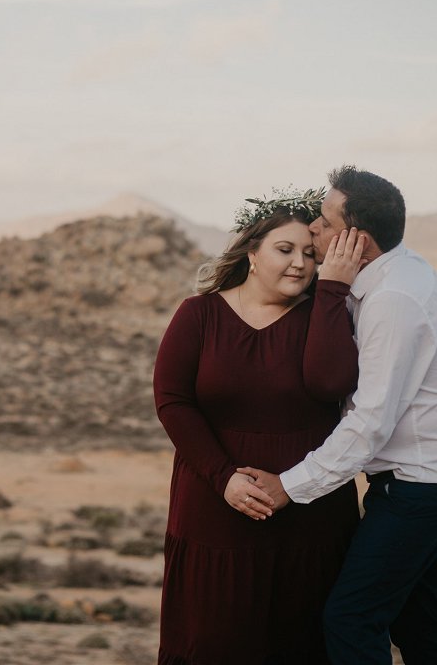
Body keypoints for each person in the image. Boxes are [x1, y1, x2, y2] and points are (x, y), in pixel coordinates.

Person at [239, 166, 437, 665]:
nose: (313, 229)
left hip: (420, 484)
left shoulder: (392, 300)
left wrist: (290, 486)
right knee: (418, 621)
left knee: (351, 618)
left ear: (358, 240)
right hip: (432, 474)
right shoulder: (394, 270)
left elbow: (369, 424)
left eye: (325, 223)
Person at [153, 187, 367, 664]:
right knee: (213, 642)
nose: (300, 264)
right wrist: (223, 477)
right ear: (252, 253)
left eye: (312, 255)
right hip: (215, 507)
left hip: (309, 515)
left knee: (301, 644)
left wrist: (331, 292)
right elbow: (172, 401)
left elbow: (334, 380)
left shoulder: (327, 313)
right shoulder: (200, 314)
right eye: (285, 249)